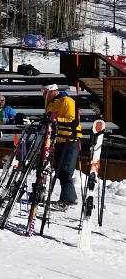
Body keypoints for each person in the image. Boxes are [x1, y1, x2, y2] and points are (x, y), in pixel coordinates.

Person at [43, 83, 82, 211]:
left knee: (66, 170)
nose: (44, 95)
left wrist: (56, 120)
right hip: (59, 139)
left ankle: (66, 200)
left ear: (52, 91)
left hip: (70, 138)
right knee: (59, 170)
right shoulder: (52, 103)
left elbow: (72, 120)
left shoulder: (67, 101)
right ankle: (70, 197)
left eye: (46, 92)